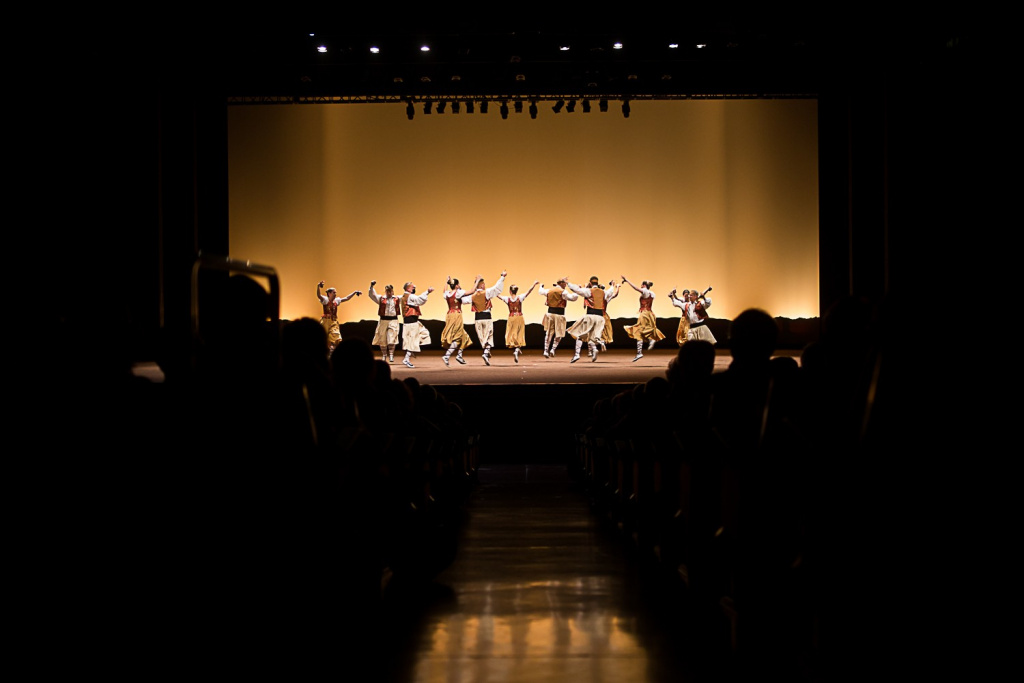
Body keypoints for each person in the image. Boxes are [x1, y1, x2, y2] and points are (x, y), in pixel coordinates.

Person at [621, 276, 666, 361]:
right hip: (650, 314)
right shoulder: (652, 293)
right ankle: (647, 343)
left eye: (642, 284)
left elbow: (636, 288)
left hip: (644, 313)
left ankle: (643, 347)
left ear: (644, 285)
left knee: (639, 331)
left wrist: (627, 280)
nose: (640, 285)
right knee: (644, 330)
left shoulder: (645, 291)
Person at [468, 270, 506, 366]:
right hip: (487, 318)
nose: (484, 286)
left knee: (482, 338)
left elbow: (462, 299)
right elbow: (497, 288)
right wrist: (502, 276)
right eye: (483, 284)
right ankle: (486, 353)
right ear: (481, 286)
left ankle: (486, 351)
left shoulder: (471, 296)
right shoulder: (487, 292)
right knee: (489, 336)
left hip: (478, 319)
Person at [565, 279, 607, 363]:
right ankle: (594, 349)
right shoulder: (603, 292)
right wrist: (613, 286)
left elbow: (577, 290)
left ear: (590, 283)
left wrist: (568, 283)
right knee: (591, 336)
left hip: (590, 316)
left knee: (580, 335)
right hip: (600, 318)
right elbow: (611, 293)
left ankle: (577, 354)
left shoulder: (589, 291)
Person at [498, 280, 539, 363]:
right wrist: (534, 284)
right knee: (519, 334)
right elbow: (529, 291)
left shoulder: (507, 299)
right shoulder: (520, 298)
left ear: (510, 291)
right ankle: (517, 349)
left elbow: (498, 296)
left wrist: (493, 291)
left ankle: (516, 349)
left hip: (511, 318)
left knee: (511, 334)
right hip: (519, 317)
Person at [317, 280, 362, 355]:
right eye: (334, 292)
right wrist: (318, 286)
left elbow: (346, 298)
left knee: (336, 336)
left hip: (333, 322)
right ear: (329, 293)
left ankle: (332, 353)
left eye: (335, 293)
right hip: (325, 321)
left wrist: (354, 293)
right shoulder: (325, 300)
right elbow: (319, 295)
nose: (335, 294)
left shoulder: (336, 301)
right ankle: (324, 353)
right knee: (324, 338)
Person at [538, 277, 579, 358]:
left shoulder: (549, 291)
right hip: (559, 314)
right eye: (564, 283)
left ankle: (546, 350)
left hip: (550, 314)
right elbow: (572, 298)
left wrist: (541, 286)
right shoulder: (563, 292)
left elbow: (541, 291)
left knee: (549, 333)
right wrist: (576, 291)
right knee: (559, 333)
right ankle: (553, 349)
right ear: (561, 283)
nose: (565, 285)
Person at [399, 281, 434, 368]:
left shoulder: (404, 296)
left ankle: (411, 350)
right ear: (408, 288)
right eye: (412, 287)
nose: (414, 288)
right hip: (411, 323)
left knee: (424, 334)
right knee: (413, 341)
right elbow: (419, 300)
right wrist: (427, 292)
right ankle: (406, 358)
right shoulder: (409, 296)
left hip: (414, 322)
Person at [440, 276, 474, 367]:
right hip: (456, 315)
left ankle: (459, 355)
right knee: (458, 337)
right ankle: (447, 355)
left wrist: (446, 283)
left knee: (465, 337)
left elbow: (444, 291)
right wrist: (477, 281)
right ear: (456, 286)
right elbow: (471, 291)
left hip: (449, 315)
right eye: (458, 284)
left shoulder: (448, 294)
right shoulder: (458, 293)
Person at [367, 280, 401, 362]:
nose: (388, 293)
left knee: (391, 337)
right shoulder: (381, 299)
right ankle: (384, 355)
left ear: (392, 291)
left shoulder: (397, 299)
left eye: (390, 291)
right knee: (382, 338)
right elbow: (372, 295)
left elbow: (406, 297)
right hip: (383, 320)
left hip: (393, 320)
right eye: (387, 291)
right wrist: (371, 286)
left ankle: (391, 354)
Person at [600, 278, 620, 348]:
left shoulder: (596, 295)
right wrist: (615, 286)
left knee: (598, 329)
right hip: (604, 315)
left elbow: (612, 293)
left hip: (598, 315)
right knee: (606, 329)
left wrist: (613, 286)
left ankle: (600, 342)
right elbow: (614, 294)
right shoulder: (606, 296)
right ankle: (602, 341)